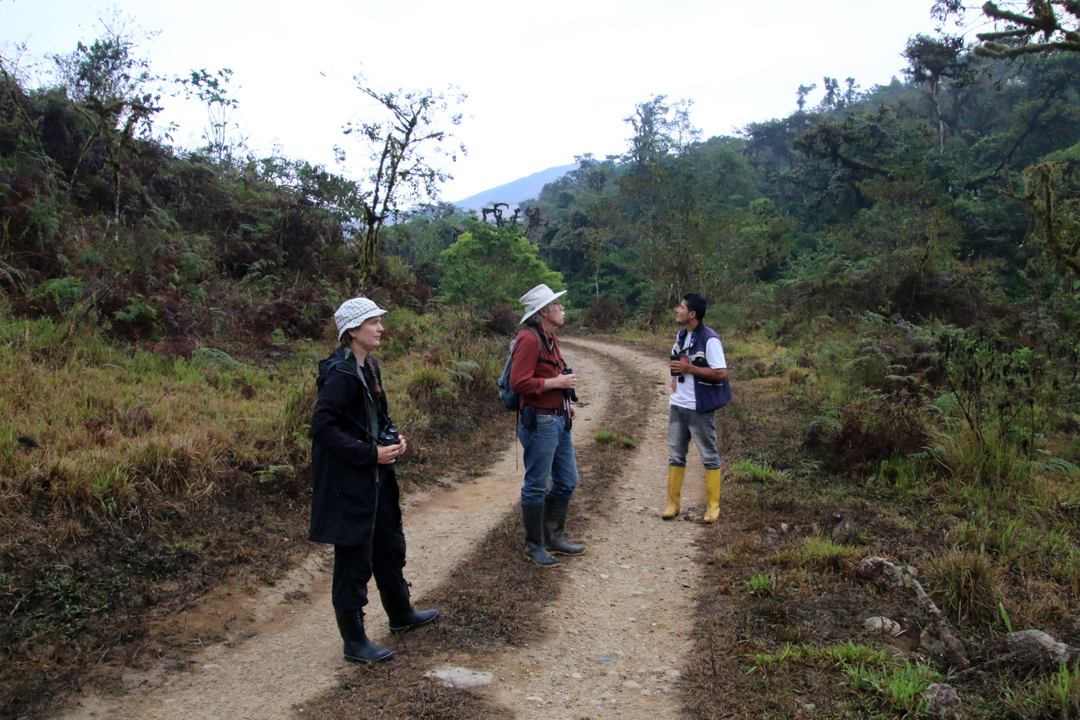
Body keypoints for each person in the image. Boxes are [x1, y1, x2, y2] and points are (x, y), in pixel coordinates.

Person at [309, 297, 439, 664]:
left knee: (387, 542)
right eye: (373, 322)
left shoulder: (369, 367)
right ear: (352, 330)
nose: (381, 328)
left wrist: (392, 438)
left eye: (380, 321)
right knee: (354, 557)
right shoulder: (340, 374)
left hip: (377, 476)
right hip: (351, 481)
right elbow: (323, 428)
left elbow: (377, 417)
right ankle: (354, 642)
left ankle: (400, 614)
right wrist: (370, 454)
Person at [509, 284, 586, 567]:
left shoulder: (550, 339)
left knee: (567, 481)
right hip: (540, 422)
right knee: (536, 485)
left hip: (557, 419)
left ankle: (554, 537)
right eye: (557, 305)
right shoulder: (528, 339)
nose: (562, 308)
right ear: (543, 311)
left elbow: (549, 376)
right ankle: (534, 545)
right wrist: (557, 383)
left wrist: (565, 403)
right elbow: (519, 383)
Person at [664, 293, 731, 523]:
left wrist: (690, 369)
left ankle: (713, 506)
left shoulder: (710, 339)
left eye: (681, 307)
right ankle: (672, 503)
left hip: (699, 407)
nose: (677, 310)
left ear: (692, 314)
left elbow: (721, 373)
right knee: (675, 455)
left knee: (709, 456)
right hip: (678, 405)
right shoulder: (682, 335)